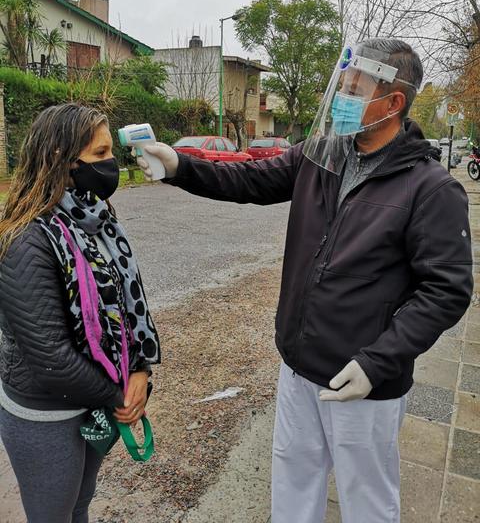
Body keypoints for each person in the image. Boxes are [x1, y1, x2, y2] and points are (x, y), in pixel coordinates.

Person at [137, 39, 473, 523]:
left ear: (394, 102)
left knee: (368, 499)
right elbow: (249, 179)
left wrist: (379, 362)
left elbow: (446, 292)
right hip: (298, 366)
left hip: (364, 382)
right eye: (342, 86)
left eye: (355, 89)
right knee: (292, 483)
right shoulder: (321, 157)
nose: (342, 97)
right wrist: (179, 167)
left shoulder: (430, 189)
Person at [0, 103, 161, 523]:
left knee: (80, 504)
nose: (112, 164)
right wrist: (120, 393)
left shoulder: (96, 219)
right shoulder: (25, 241)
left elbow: (127, 307)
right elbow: (50, 356)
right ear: (61, 160)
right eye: (101, 153)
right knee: (53, 513)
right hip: (46, 411)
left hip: (92, 400)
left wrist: (140, 369)